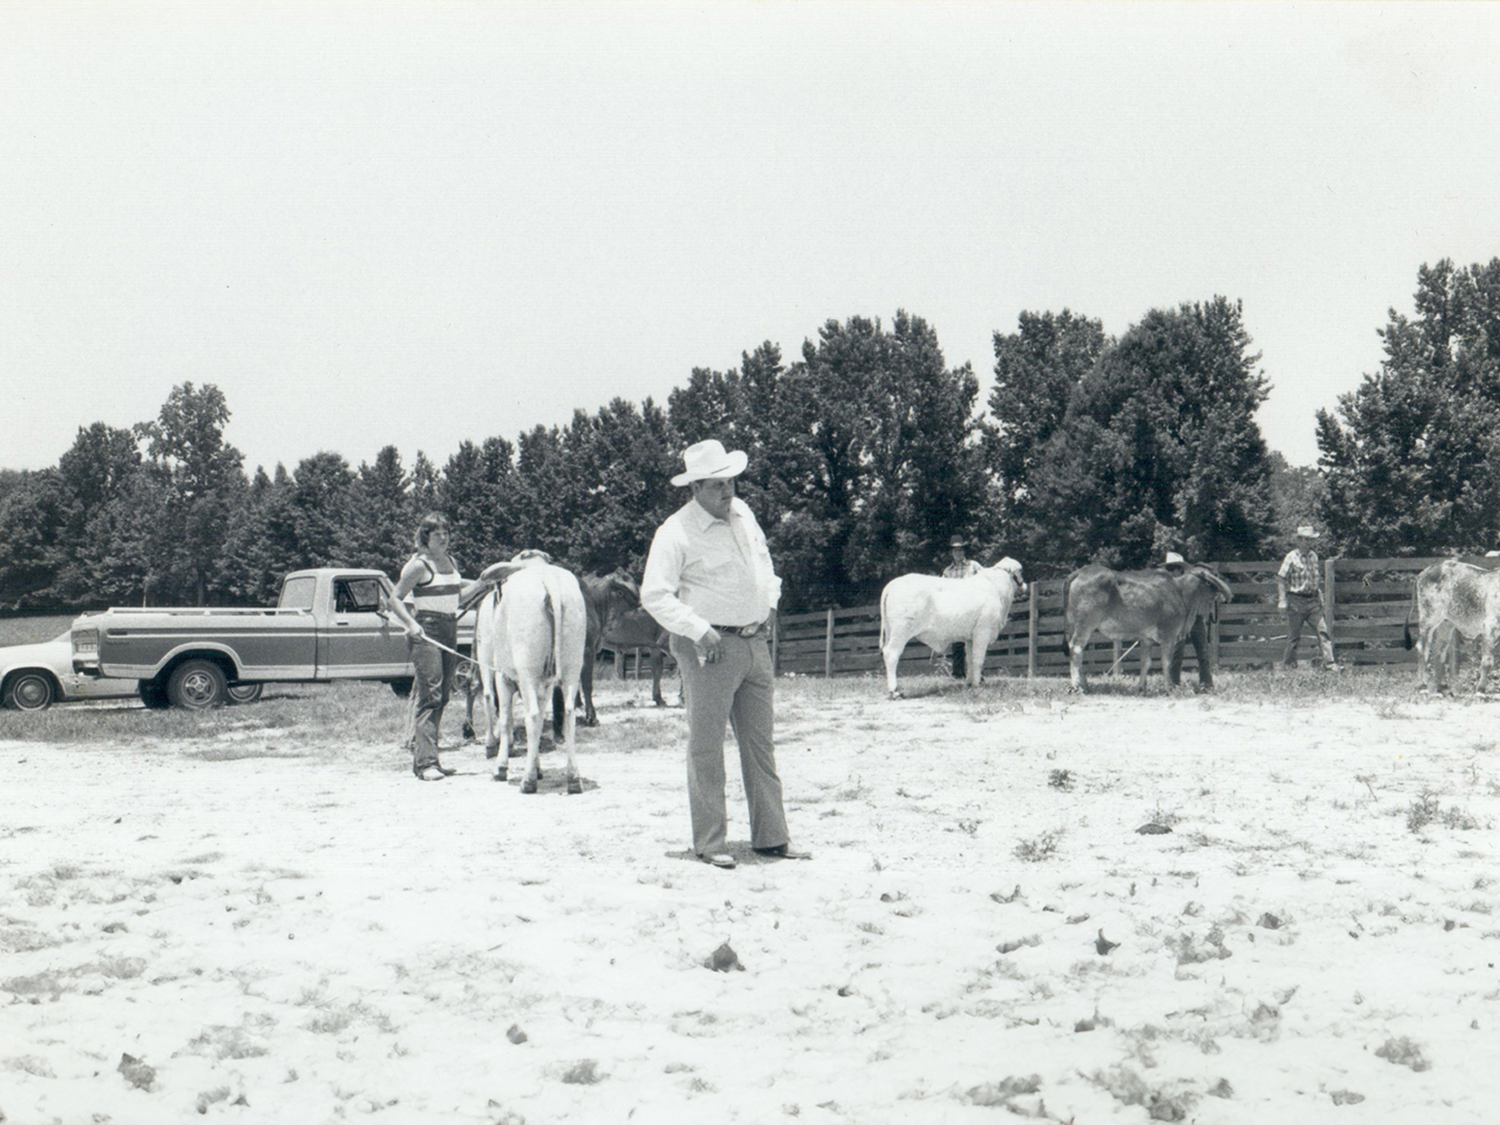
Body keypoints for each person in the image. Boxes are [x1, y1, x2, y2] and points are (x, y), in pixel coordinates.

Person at [641, 439, 810, 870]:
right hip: (709, 650)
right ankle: (711, 842)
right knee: (707, 745)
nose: (728, 491)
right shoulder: (674, 532)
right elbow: (654, 595)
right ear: (695, 487)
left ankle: (772, 838)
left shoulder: (745, 514)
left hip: (755, 643)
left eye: (731, 480)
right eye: (717, 485)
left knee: (760, 745)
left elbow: (766, 565)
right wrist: (699, 630)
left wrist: (770, 603)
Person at [386, 512, 493, 780]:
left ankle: (428, 757)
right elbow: (394, 600)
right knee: (430, 695)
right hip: (427, 630)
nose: (443, 538)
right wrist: (411, 624)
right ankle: (425, 765)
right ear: (426, 537)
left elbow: (456, 599)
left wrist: (482, 585)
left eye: (446, 533)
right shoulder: (419, 566)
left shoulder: (451, 562)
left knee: (444, 694)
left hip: (449, 627)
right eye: (437, 534)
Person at [1276, 525, 1339, 671]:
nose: (1307, 543)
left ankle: (1330, 665)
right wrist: (1282, 600)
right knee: (1294, 637)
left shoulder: (1313, 556)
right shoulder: (1291, 557)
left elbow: (1313, 579)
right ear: (1298, 540)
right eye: (1304, 539)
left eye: (1310, 540)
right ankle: (1288, 667)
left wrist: (1319, 595)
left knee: (1323, 631)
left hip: (1312, 601)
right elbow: (1281, 578)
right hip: (1296, 601)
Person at [1160, 550, 1214, 691]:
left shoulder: (1192, 583)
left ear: (1180, 569)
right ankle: (1174, 684)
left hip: (1195, 619)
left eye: (1173, 568)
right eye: (1169, 569)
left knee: (1203, 652)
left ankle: (1206, 684)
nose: (1171, 572)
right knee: (1177, 652)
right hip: (1178, 622)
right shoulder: (1167, 586)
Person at [941, 535, 982, 678]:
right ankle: (958, 674)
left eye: (960, 550)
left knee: (975, 643)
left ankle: (976, 675)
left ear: (964, 551)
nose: (958, 553)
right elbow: (942, 592)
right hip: (956, 611)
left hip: (974, 609)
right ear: (951, 553)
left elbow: (986, 583)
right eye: (955, 550)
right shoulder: (947, 572)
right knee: (957, 643)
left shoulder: (974, 566)